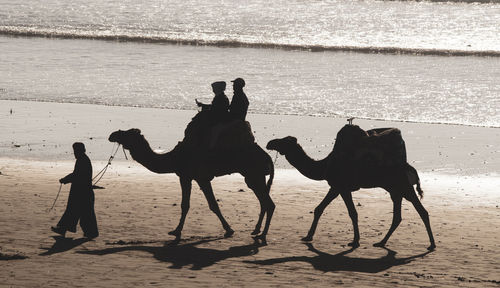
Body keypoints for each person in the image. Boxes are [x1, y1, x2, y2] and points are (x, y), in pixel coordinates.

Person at [51, 142, 99, 239]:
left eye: (76, 151)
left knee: (77, 212)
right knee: (82, 213)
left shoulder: (82, 160)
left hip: (82, 192)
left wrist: (65, 179)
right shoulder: (83, 159)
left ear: (80, 150)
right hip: (83, 191)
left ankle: (64, 229)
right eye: (74, 151)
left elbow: (76, 175)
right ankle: (89, 233)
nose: (75, 153)